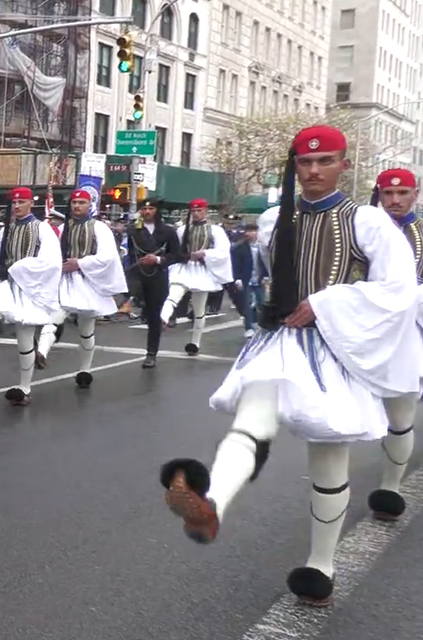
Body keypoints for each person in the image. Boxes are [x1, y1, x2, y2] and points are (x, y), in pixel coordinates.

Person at [159, 125, 421, 606]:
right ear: (295, 166)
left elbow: (397, 289)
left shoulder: (368, 222)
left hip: (337, 344)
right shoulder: (277, 218)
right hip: (282, 340)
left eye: (325, 162)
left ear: (345, 165)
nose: (314, 171)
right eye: (305, 162)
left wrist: (327, 303)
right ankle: (211, 502)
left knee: (327, 452)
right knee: (251, 420)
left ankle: (321, 564)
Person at [0, 186, 63, 406]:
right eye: (14, 203)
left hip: (30, 288)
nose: (16, 206)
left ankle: (24, 387)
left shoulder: (42, 230)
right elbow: (1, 258)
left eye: (21, 202)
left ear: (30, 204)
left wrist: (21, 270)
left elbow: (51, 262)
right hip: (8, 284)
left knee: (24, 339)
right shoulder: (8, 228)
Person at [368, 166, 423, 521]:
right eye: (388, 194)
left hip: (411, 333)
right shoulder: (365, 230)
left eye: (402, 194)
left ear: (414, 195)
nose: (395, 201)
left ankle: (390, 486)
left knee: (400, 415)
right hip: (368, 332)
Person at [34, 189, 128, 387]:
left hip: (87, 281)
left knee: (86, 329)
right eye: (74, 202)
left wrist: (80, 263)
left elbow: (108, 256)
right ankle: (41, 351)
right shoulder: (61, 228)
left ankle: (85, 369)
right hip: (63, 279)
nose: (77, 206)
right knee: (55, 315)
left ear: (89, 205)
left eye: (81, 202)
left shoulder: (100, 228)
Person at [160, 198, 233, 356]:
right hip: (185, 268)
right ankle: (163, 318)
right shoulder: (182, 230)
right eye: (193, 211)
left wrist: (205, 253)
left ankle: (195, 342)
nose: (196, 214)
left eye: (199, 211)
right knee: (174, 293)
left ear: (205, 211)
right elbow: (174, 249)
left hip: (202, 270)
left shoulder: (215, 230)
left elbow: (223, 251)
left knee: (199, 309)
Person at [124, 198, 182, 368]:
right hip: (138, 275)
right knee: (139, 307)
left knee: (154, 316)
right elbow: (130, 253)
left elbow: (176, 255)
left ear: (157, 211)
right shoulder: (134, 230)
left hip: (157, 276)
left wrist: (157, 259)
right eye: (144, 209)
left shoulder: (168, 231)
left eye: (151, 209)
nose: (147, 212)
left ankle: (151, 353)